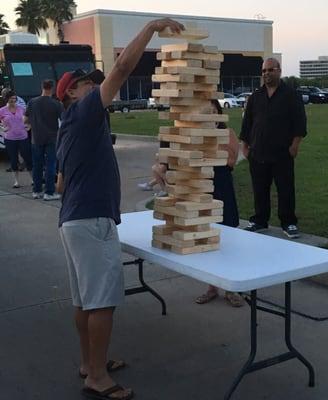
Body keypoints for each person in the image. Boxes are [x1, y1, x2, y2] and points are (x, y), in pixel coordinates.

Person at [56, 18, 184, 400]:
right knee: (103, 302)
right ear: (71, 95)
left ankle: (89, 363)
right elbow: (124, 68)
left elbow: (61, 182)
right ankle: (97, 377)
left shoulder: (69, 125)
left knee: (85, 301)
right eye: (85, 84)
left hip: (74, 221)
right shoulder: (83, 114)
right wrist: (151, 27)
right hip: (91, 221)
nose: (94, 85)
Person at [240, 58, 307, 239]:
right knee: (260, 189)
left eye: (270, 70)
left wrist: (295, 145)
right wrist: (245, 146)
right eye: (263, 71)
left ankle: (289, 222)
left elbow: (299, 122)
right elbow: (247, 123)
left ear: (279, 71)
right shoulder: (256, 97)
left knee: (285, 189)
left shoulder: (291, 95)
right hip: (258, 152)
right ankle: (260, 220)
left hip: (282, 153)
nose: (266, 74)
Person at [195, 99, 243, 307]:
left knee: (227, 238)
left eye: (213, 111)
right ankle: (211, 287)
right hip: (204, 189)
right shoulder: (197, 135)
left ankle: (232, 290)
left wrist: (210, 147)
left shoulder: (228, 133)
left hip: (222, 186)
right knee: (207, 239)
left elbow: (230, 160)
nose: (210, 115)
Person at [25, 79, 64, 200]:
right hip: (52, 138)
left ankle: (36, 191)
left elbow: (24, 120)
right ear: (52, 88)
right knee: (50, 165)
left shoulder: (32, 102)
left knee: (37, 165)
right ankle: (49, 192)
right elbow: (64, 121)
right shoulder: (57, 104)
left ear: (41, 87)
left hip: (36, 138)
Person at [0, 90, 32, 188]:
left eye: (15, 99)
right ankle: (16, 181)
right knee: (13, 159)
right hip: (10, 138)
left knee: (27, 158)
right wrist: (2, 128)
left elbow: (30, 118)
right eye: (11, 99)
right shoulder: (2, 110)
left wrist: (29, 126)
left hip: (23, 136)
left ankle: (33, 179)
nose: (13, 101)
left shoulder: (22, 108)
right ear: (7, 99)